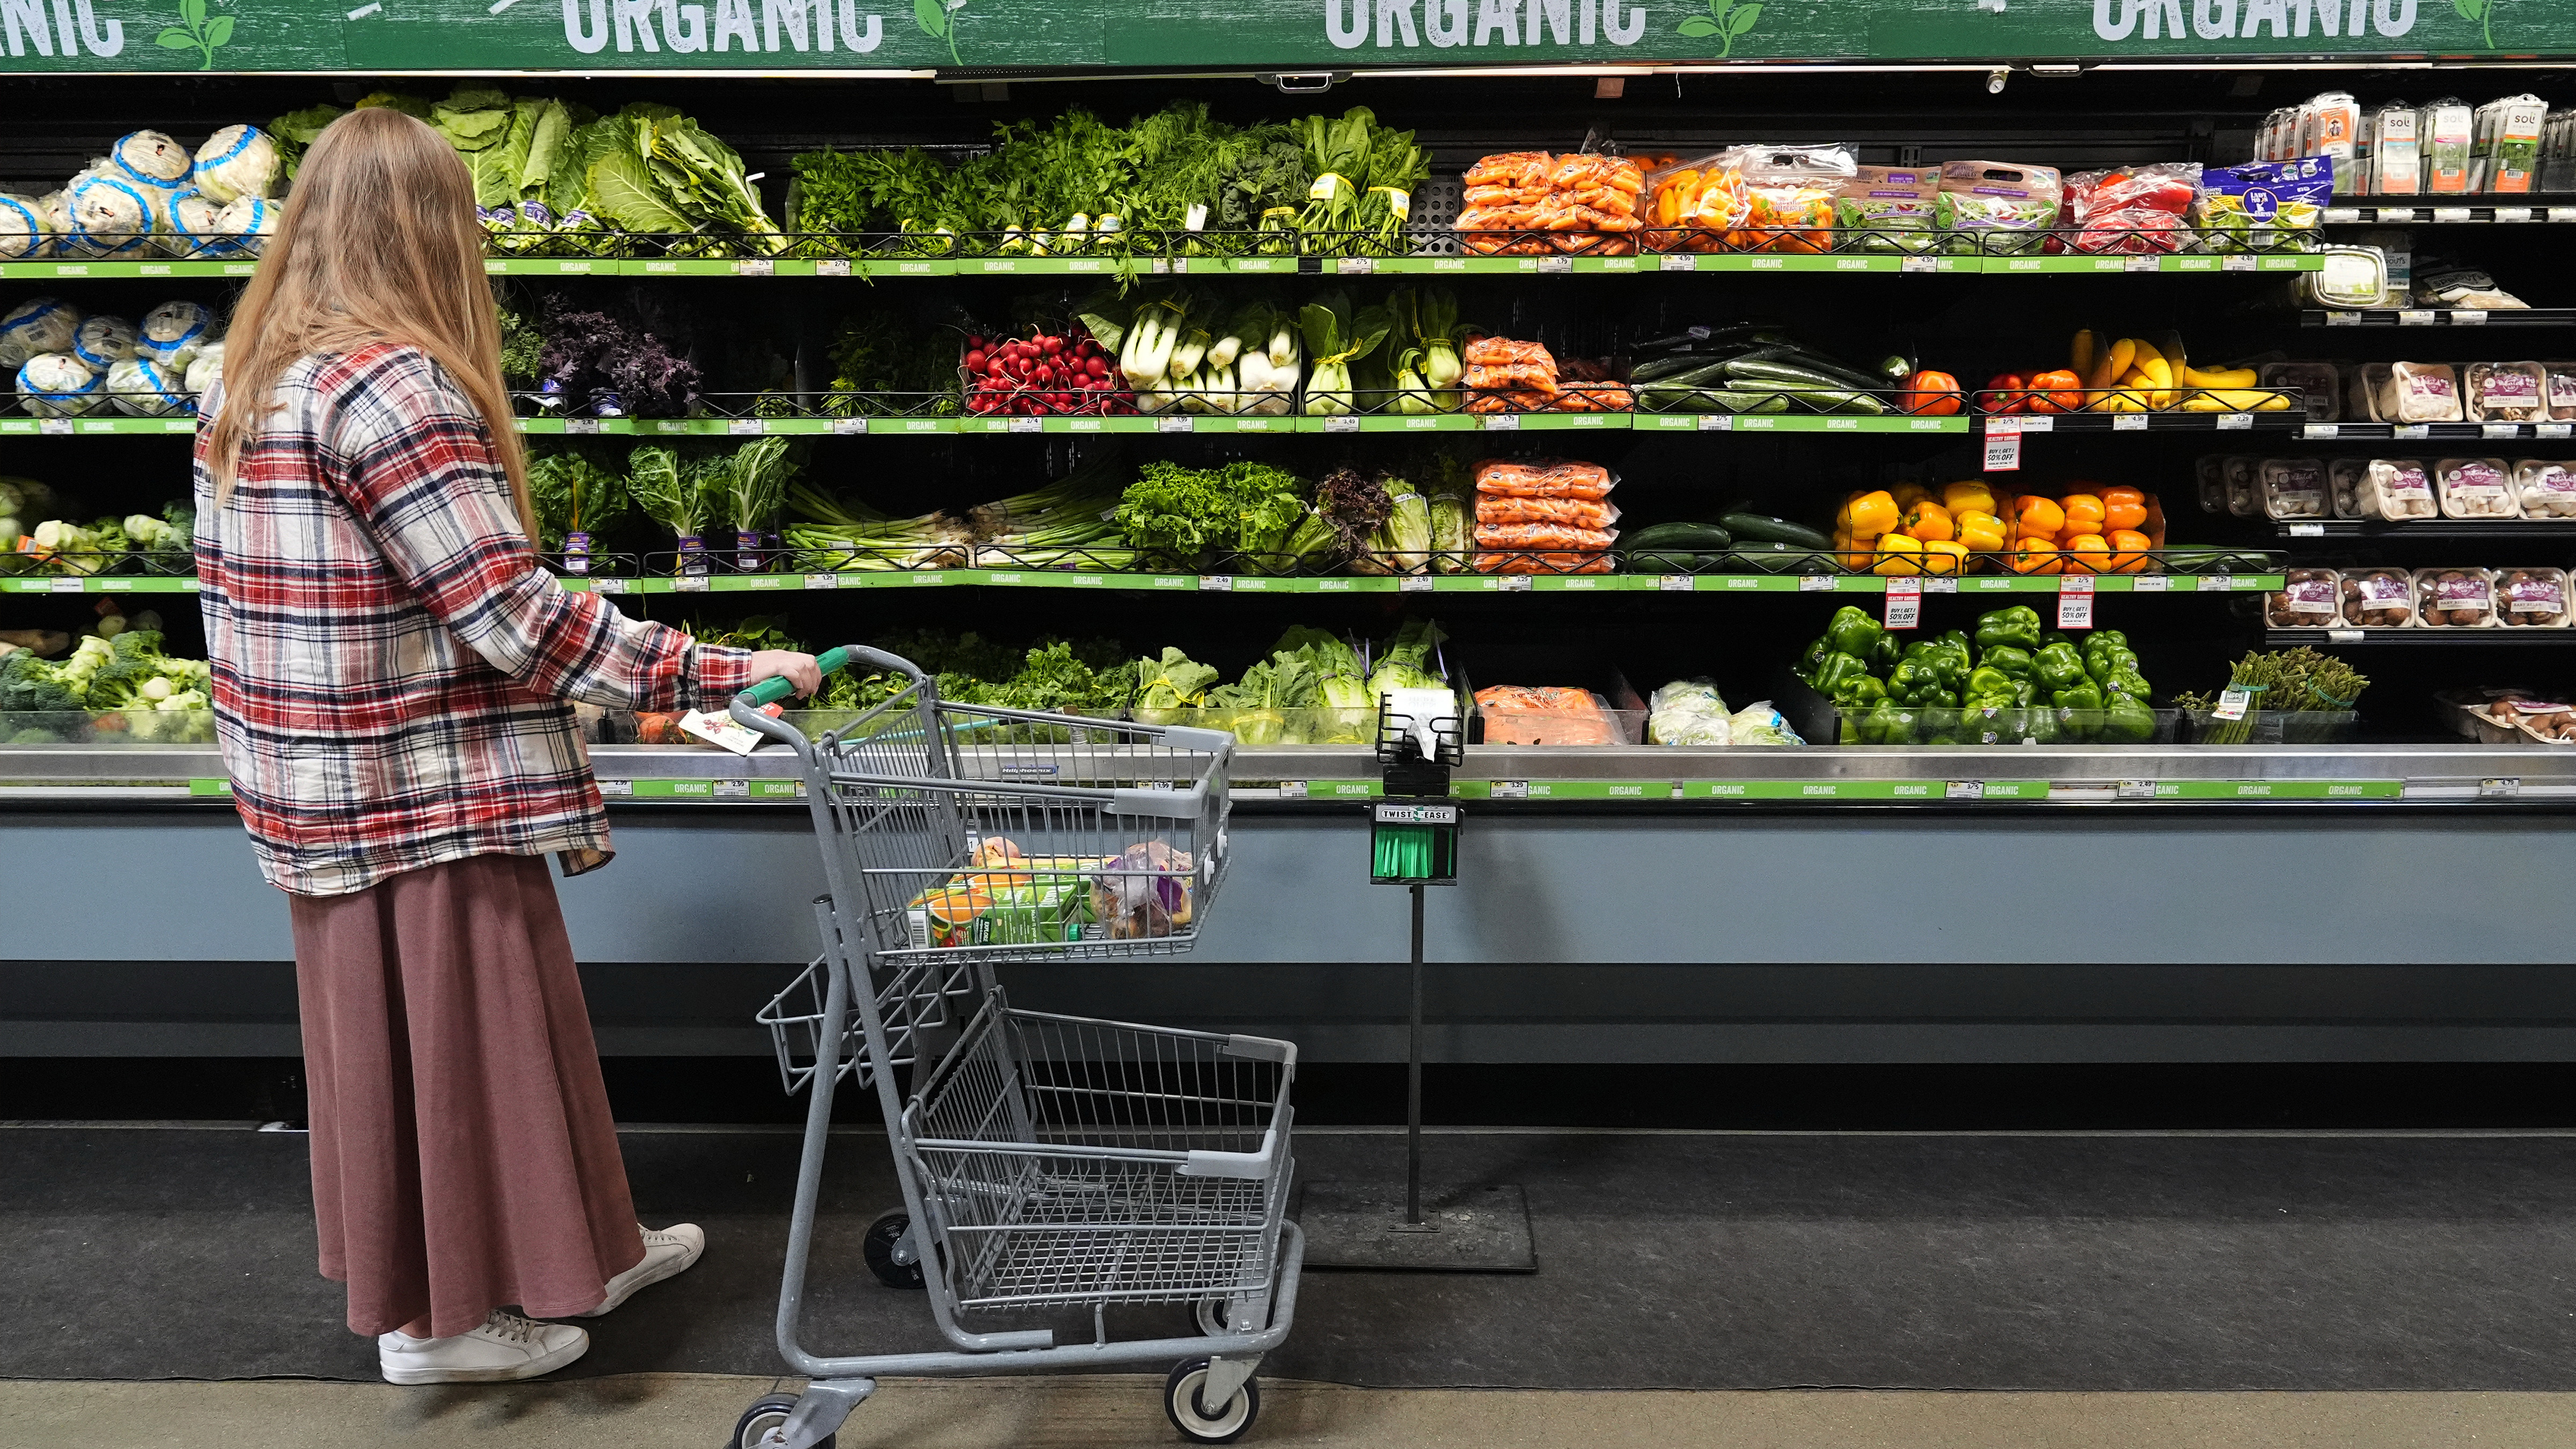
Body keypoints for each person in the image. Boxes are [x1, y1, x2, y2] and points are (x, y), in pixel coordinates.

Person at [193, 105, 821, 1385]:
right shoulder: (393, 385)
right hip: (416, 786)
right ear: (432, 234)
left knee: (464, 1042)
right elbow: (509, 615)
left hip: (320, 786)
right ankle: (444, 1326)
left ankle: (580, 1249)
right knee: (464, 1055)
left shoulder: (248, 376)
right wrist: (715, 668)